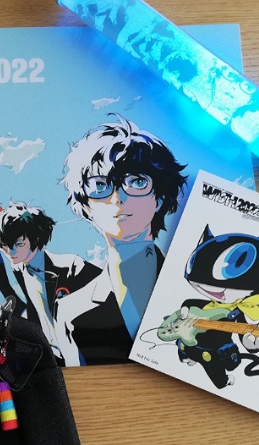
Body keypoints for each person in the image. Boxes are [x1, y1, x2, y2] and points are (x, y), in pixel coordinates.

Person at [56, 114, 187, 365]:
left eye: (137, 182)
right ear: (85, 205)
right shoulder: (71, 312)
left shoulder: (192, 284)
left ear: (160, 197)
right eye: (100, 185)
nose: (118, 198)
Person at [0, 202, 101, 362]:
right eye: (5, 246)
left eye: (19, 244)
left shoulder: (71, 266)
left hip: (84, 348)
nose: (11, 252)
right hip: (53, 352)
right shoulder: (19, 269)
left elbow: (107, 295)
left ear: (35, 238)